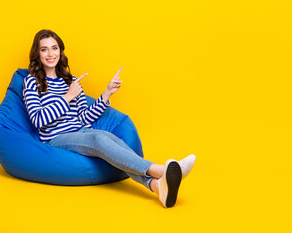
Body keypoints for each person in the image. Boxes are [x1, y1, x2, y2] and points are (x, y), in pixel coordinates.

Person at [22, 29, 196, 208]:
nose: (50, 54)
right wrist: (67, 97)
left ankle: (157, 186)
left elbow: (84, 119)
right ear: (38, 53)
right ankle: (160, 170)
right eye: (44, 49)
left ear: (61, 51)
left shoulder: (71, 80)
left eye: (54, 48)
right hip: (55, 138)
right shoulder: (31, 81)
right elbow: (37, 120)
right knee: (97, 138)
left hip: (81, 131)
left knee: (112, 140)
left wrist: (107, 93)